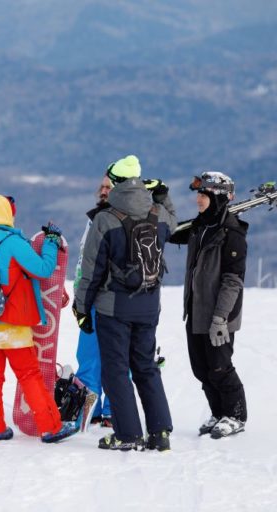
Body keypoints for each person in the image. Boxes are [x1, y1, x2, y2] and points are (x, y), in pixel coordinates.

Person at [73, 155, 176, 451]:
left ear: (116, 183)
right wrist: (163, 194)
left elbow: (91, 272)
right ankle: (160, 433)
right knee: (145, 367)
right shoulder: (157, 213)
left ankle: (127, 434)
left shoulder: (105, 219)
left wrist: (82, 309)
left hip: (114, 309)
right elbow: (174, 222)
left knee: (116, 370)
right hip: (149, 305)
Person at [0, 194, 78, 444]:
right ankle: (50, 427)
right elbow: (43, 269)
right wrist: (52, 243)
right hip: (12, 325)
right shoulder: (12, 242)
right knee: (29, 375)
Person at [168, 171, 248, 438]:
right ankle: (218, 412)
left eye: (203, 195)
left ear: (218, 198)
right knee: (201, 369)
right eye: (199, 195)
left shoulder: (231, 233)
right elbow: (170, 233)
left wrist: (220, 318)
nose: (198, 200)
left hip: (218, 315)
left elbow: (233, 281)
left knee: (220, 367)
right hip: (196, 310)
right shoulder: (201, 227)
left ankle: (236, 416)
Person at [73, 174, 114, 426]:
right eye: (101, 186)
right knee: (88, 355)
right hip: (90, 298)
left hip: (111, 299)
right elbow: (82, 262)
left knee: (117, 358)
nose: (103, 191)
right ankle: (89, 408)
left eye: (108, 187)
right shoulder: (94, 218)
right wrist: (79, 295)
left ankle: (112, 409)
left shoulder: (121, 220)